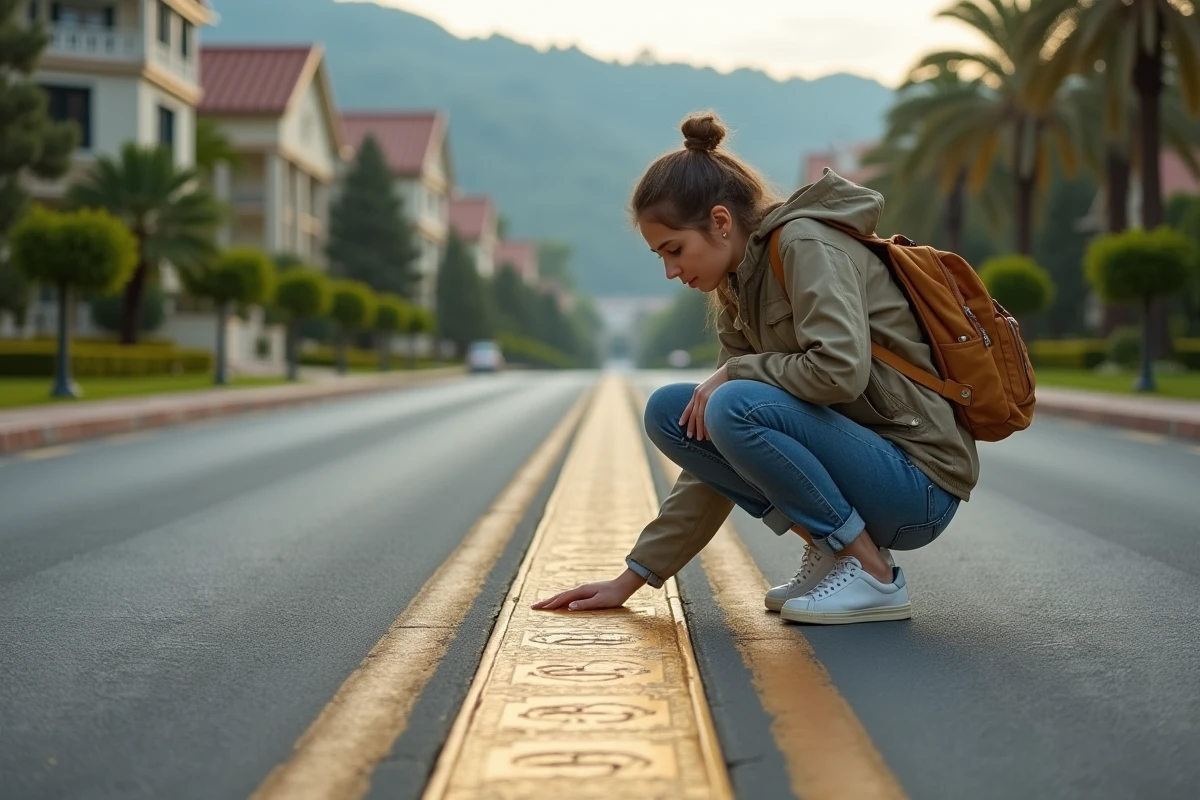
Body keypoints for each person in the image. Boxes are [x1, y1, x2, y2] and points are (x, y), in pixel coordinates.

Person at [533, 112, 979, 624]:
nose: (670, 270)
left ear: (721, 222)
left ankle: (873, 574)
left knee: (728, 399)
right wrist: (634, 576)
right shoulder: (739, 287)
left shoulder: (805, 244)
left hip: (917, 483)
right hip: (866, 471)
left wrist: (737, 373)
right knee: (673, 411)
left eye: (674, 249)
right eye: (660, 256)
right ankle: (836, 550)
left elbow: (839, 372)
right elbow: (715, 444)